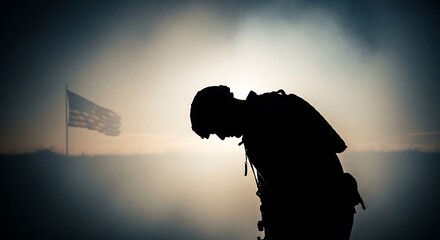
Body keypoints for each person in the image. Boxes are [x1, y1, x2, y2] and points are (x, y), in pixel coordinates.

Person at [190, 85, 365, 240]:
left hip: (321, 218)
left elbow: (294, 191)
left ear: (222, 109)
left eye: (215, 127)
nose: (221, 137)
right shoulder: (262, 119)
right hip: (325, 213)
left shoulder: (268, 122)